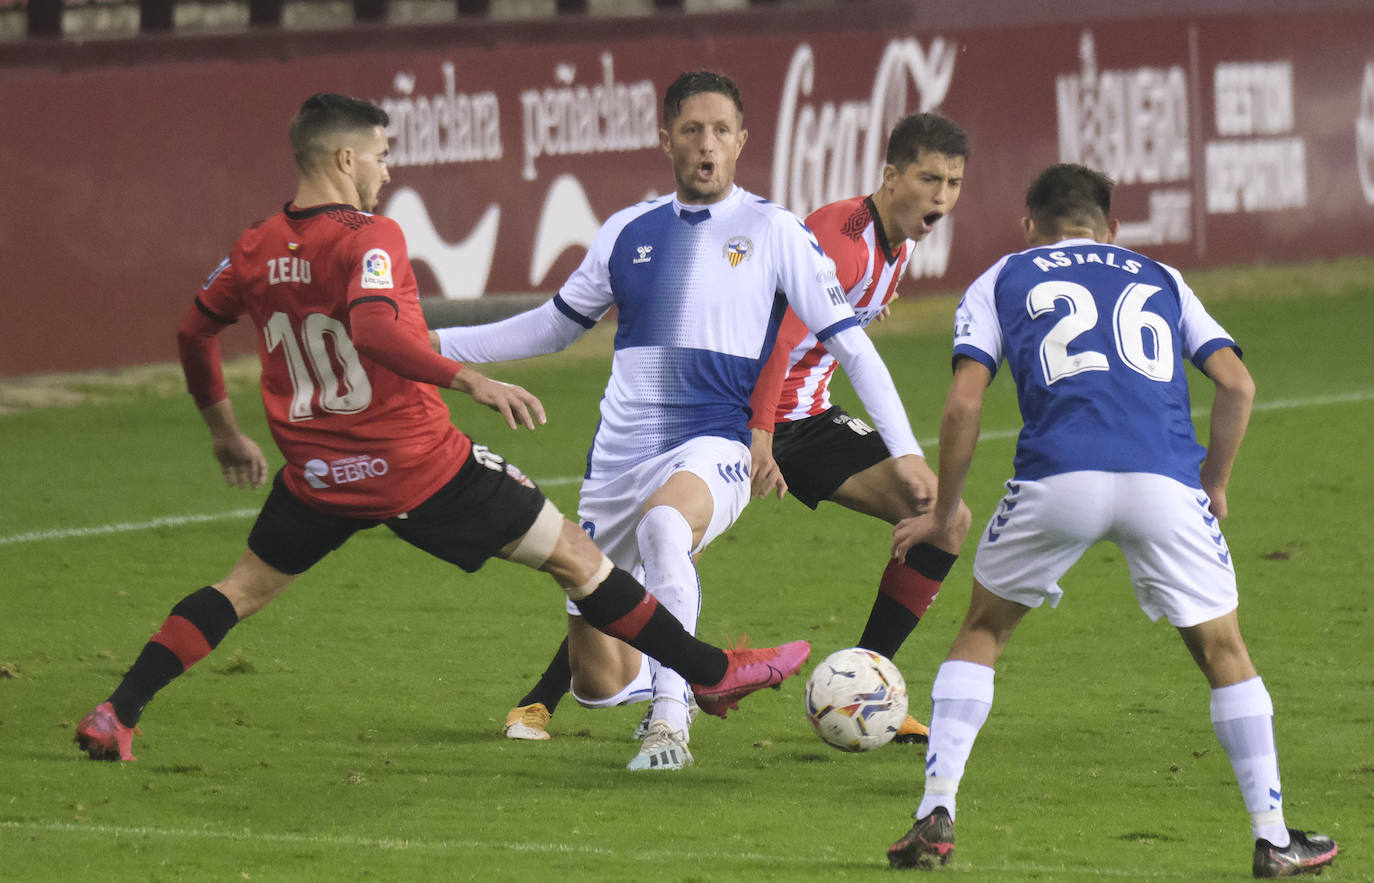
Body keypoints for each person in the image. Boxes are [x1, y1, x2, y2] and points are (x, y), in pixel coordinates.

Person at [72, 92, 811, 763]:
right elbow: (374, 331)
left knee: (240, 588)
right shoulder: (371, 237)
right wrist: (469, 379)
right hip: (420, 464)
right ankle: (711, 674)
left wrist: (224, 432)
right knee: (581, 560)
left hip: (319, 473)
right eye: (384, 156)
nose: (388, 172)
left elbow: (192, 330)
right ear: (345, 158)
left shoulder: (257, 244)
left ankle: (118, 710)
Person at [433, 71, 936, 771]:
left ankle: (670, 722)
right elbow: (550, 328)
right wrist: (428, 349)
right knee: (596, 680)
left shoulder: (774, 229)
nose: (707, 146)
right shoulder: (627, 231)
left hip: (714, 442)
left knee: (666, 525)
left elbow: (851, 343)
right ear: (664, 137)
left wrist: (906, 449)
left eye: (721, 131)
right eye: (693, 130)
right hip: (617, 459)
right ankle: (688, 677)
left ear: (742, 142)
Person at [884, 164, 1338, 877]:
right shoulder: (1159, 275)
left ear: (1029, 225)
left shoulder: (1004, 275)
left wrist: (947, 511)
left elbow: (963, 405)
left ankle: (934, 813)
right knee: (1223, 649)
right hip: (1163, 480)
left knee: (983, 629)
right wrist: (1213, 483)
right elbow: (1237, 384)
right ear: (1113, 228)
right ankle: (1273, 836)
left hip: (1056, 477)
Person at [745, 112, 974, 744]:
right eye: (929, 178)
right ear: (891, 175)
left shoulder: (894, 246)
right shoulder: (844, 236)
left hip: (808, 420)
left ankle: (868, 686)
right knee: (659, 550)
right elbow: (778, 343)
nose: (942, 196)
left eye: (954, 183)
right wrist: (759, 436)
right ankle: (544, 697)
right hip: (742, 419)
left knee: (945, 518)